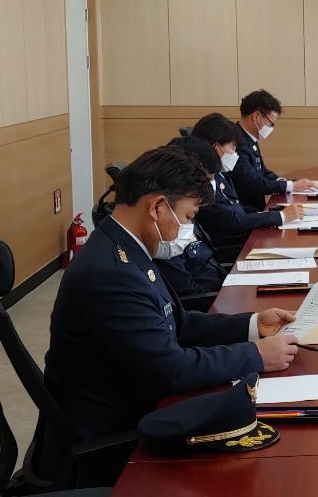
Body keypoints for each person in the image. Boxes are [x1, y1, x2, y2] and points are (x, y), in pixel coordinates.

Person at [44, 146, 303, 446]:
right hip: (117, 433)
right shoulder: (110, 274)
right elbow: (171, 370)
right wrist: (255, 355)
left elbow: (178, 323)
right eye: (188, 216)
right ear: (157, 207)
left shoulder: (125, 247)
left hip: (140, 401)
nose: (189, 229)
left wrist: (253, 325)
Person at [191, 113, 303, 262]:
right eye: (233, 148)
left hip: (244, 239)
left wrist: (278, 213)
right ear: (216, 148)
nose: (235, 154)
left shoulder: (220, 175)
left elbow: (238, 212)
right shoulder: (204, 182)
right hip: (231, 248)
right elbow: (232, 222)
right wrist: (281, 216)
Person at [154, 136, 228, 302]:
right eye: (207, 179)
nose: (210, 185)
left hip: (220, 288)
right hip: (209, 303)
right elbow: (187, 292)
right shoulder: (167, 227)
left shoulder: (185, 208)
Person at [230, 89, 316, 213]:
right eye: (271, 124)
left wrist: (284, 182)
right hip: (246, 213)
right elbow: (253, 183)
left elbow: (262, 172)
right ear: (256, 116)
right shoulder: (234, 141)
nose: (271, 128)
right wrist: (291, 186)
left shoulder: (249, 137)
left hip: (257, 210)